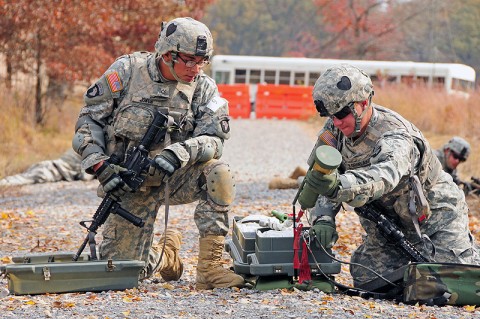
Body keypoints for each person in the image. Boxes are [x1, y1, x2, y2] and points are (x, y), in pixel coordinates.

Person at [71, 17, 244, 289]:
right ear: (167, 53)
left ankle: (209, 270)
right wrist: (99, 164)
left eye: (202, 61)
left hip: (175, 178)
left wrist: (181, 152)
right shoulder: (127, 71)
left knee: (218, 172)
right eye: (189, 60)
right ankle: (165, 254)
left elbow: (215, 140)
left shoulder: (203, 87)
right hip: (130, 183)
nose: (195, 68)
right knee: (123, 276)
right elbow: (89, 120)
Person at [298, 64, 480, 287]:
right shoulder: (335, 129)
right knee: (370, 280)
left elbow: (383, 176)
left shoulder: (395, 135)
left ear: (364, 103)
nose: (336, 122)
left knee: (455, 283)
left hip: (434, 219)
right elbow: (323, 173)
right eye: (331, 115)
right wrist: (324, 216)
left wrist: (339, 186)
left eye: (342, 114)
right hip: (387, 224)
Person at [0, 149, 93, 186]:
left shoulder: (82, 146)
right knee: (21, 179)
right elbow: (85, 177)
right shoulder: (89, 152)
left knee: (22, 177)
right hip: (53, 169)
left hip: (48, 165)